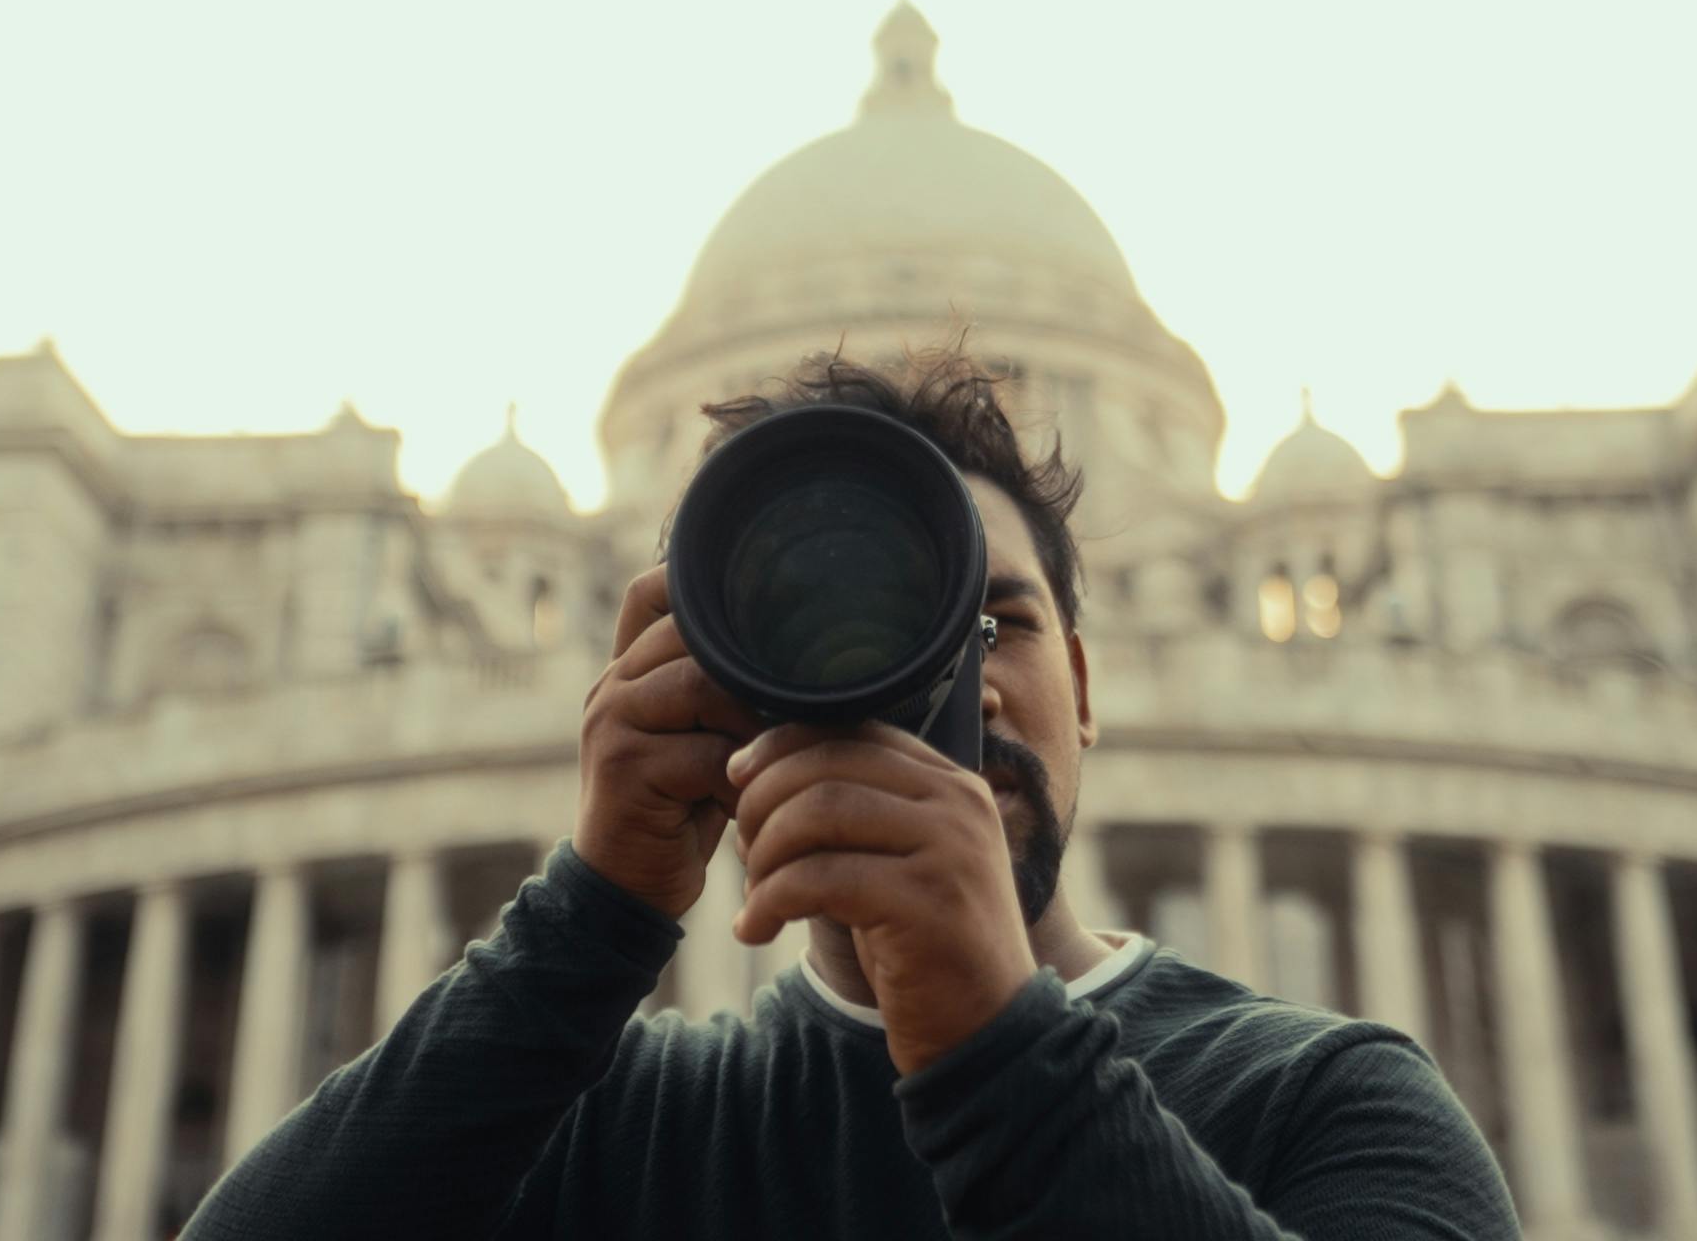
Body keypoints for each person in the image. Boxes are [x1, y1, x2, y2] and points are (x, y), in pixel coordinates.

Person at [184, 347, 1515, 1239]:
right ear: (721, 668)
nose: (953, 687)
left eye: (994, 625)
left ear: (1083, 687)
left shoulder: (1331, 1098)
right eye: (853, 627)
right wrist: (589, 917)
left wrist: (996, 1041)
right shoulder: (615, 1130)